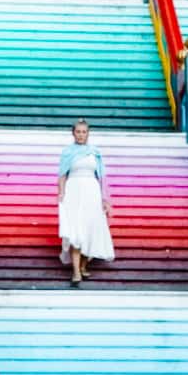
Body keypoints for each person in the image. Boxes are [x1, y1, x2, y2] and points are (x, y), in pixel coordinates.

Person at [57, 117, 116, 286]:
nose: (81, 135)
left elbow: (102, 177)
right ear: (73, 133)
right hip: (74, 192)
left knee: (91, 230)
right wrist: (61, 193)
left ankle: (83, 265)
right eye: (78, 132)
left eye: (84, 132)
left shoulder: (95, 152)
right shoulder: (67, 152)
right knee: (76, 231)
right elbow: (62, 175)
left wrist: (105, 200)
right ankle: (76, 272)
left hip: (92, 193)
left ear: (88, 134)